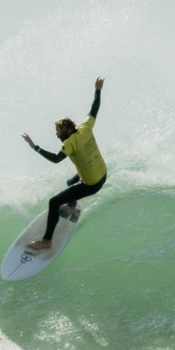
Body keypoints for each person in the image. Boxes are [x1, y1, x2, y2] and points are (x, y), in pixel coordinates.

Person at [21, 77, 108, 250]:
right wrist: (98, 90)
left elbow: (55, 159)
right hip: (103, 174)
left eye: (58, 130)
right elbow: (94, 109)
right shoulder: (85, 127)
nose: (56, 134)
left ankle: (47, 240)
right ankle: (72, 207)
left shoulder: (69, 143)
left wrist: (34, 147)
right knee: (70, 182)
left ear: (66, 130)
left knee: (54, 202)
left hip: (92, 184)